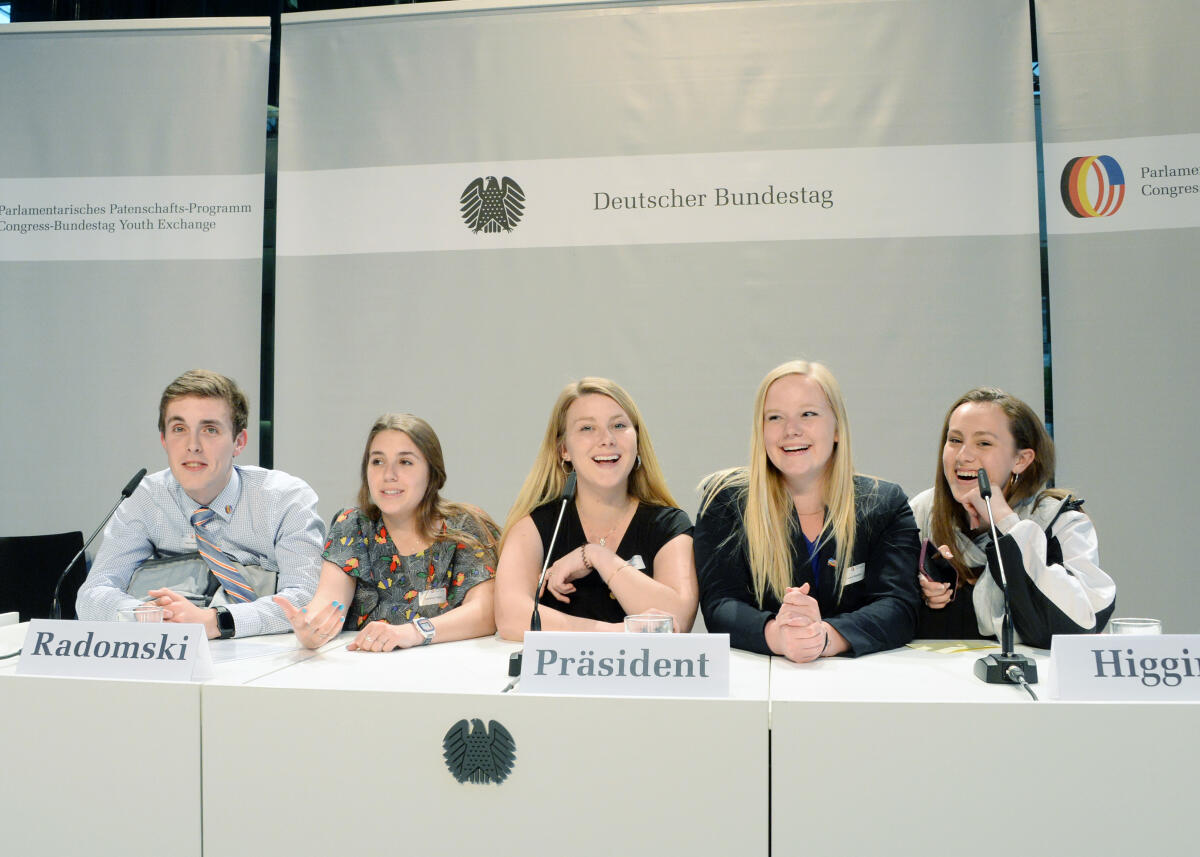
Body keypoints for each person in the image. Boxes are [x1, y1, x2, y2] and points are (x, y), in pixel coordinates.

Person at [694, 360, 920, 661]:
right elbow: (720, 606)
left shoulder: (885, 503)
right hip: (761, 682)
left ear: (837, 427)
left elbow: (899, 607)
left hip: (861, 684)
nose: (791, 430)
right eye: (775, 417)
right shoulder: (725, 501)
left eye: (808, 414)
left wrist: (825, 638)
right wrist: (779, 636)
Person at [76, 370, 324, 639]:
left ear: (238, 442)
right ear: (164, 440)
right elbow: (92, 594)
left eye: (210, 430)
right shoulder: (144, 498)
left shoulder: (285, 499)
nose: (192, 446)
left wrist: (216, 621)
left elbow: (305, 597)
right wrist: (147, 615)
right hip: (170, 653)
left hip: (268, 655)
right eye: (179, 429)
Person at [909, 387, 1115, 647]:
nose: (963, 456)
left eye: (983, 443)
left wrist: (1006, 522)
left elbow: (1078, 627)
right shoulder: (922, 512)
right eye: (955, 440)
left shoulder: (1060, 522)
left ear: (1021, 459)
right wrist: (917, 591)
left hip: (1031, 682)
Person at [275, 414, 499, 651]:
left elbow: (485, 613)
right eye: (378, 461)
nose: (388, 475)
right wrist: (312, 629)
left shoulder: (464, 525)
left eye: (405, 462)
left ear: (432, 472)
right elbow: (329, 603)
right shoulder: (354, 525)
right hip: (366, 670)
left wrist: (412, 632)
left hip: (449, 672)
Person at [495, 378, 697, 639]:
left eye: (619, 425)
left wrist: (596, 556)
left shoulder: (669, 526)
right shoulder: (535, 526)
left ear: (637, 441)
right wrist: (616, 634)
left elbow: (677, 620)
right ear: (564, 449)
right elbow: (511, 618)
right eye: (587, 428)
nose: (607, 439)